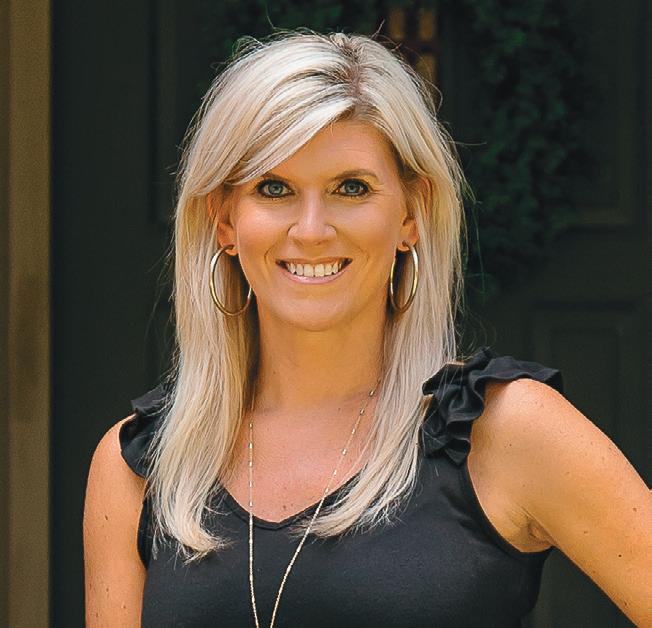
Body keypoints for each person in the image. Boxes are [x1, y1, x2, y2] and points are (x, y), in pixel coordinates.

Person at [83, 29, 651, 627]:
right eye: (274, 188)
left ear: (410, 214)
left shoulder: (505, 431)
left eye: (351, 188)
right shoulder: (141, 468)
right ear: (224, 220)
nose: (311, 230)